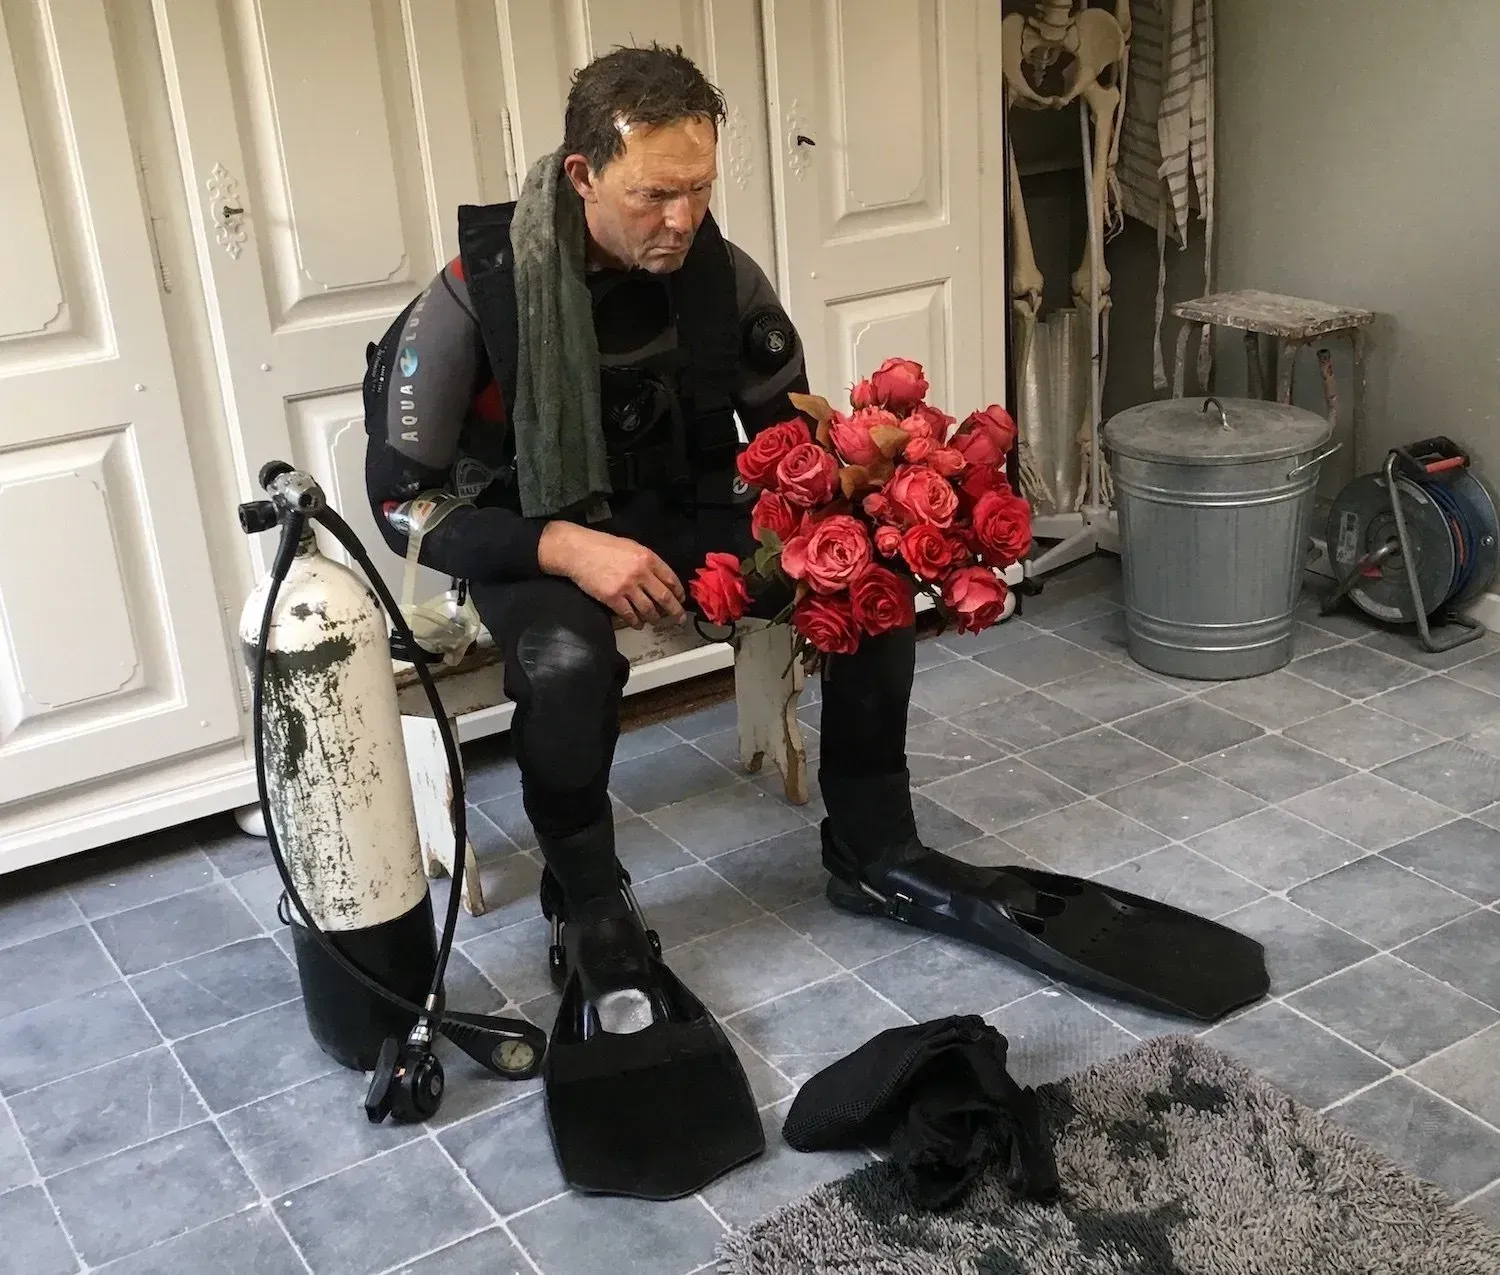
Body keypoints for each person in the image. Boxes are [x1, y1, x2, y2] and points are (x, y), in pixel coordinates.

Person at [360, 42, 1269, 1199]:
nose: (684, 218)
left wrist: (880, 495)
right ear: (584, 175)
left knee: (864, 575)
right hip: (537, 529)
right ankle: (587, 896)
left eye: (701, 187)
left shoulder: (717, 275)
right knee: (564, 655)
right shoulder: (473, 294)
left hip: (682, 512)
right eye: (656, 193)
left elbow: (783, 441)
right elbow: (404, 499)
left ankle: (874, 847)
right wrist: (562, 546)